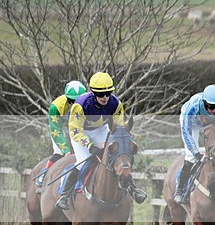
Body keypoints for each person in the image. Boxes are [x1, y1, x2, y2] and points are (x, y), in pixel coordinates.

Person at [55, 72, 147, 210]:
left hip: (101, 130)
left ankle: (133, 189)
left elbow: (119, 128)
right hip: (81, 132)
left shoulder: (115, 104)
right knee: (83, 162)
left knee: (115, 159)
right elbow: (75, 130)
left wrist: (114, 143)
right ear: (93, 93)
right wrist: (90, 145)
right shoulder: (80, 105)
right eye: (100, 94)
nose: (105, 97)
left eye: (108, 93)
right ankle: (64, 195)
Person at [174, 84, 215, 204]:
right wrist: (196, 153)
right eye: (211, 107)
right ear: (204, 103)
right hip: (192, 124)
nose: (214, 110)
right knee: (190, 158)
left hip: (214, 124)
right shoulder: (193, 107)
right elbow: (186, 132)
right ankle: (180, 189)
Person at [36, 81, 87, 187]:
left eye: (77, 100)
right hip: (60, 127)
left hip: (78, 126)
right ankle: (45, 173)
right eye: (71, 100)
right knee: (60, 151)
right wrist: (66, 150)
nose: (74, 103)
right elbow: (56, 131)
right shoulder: (56, 107)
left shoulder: (88, 103)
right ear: (66, 97)